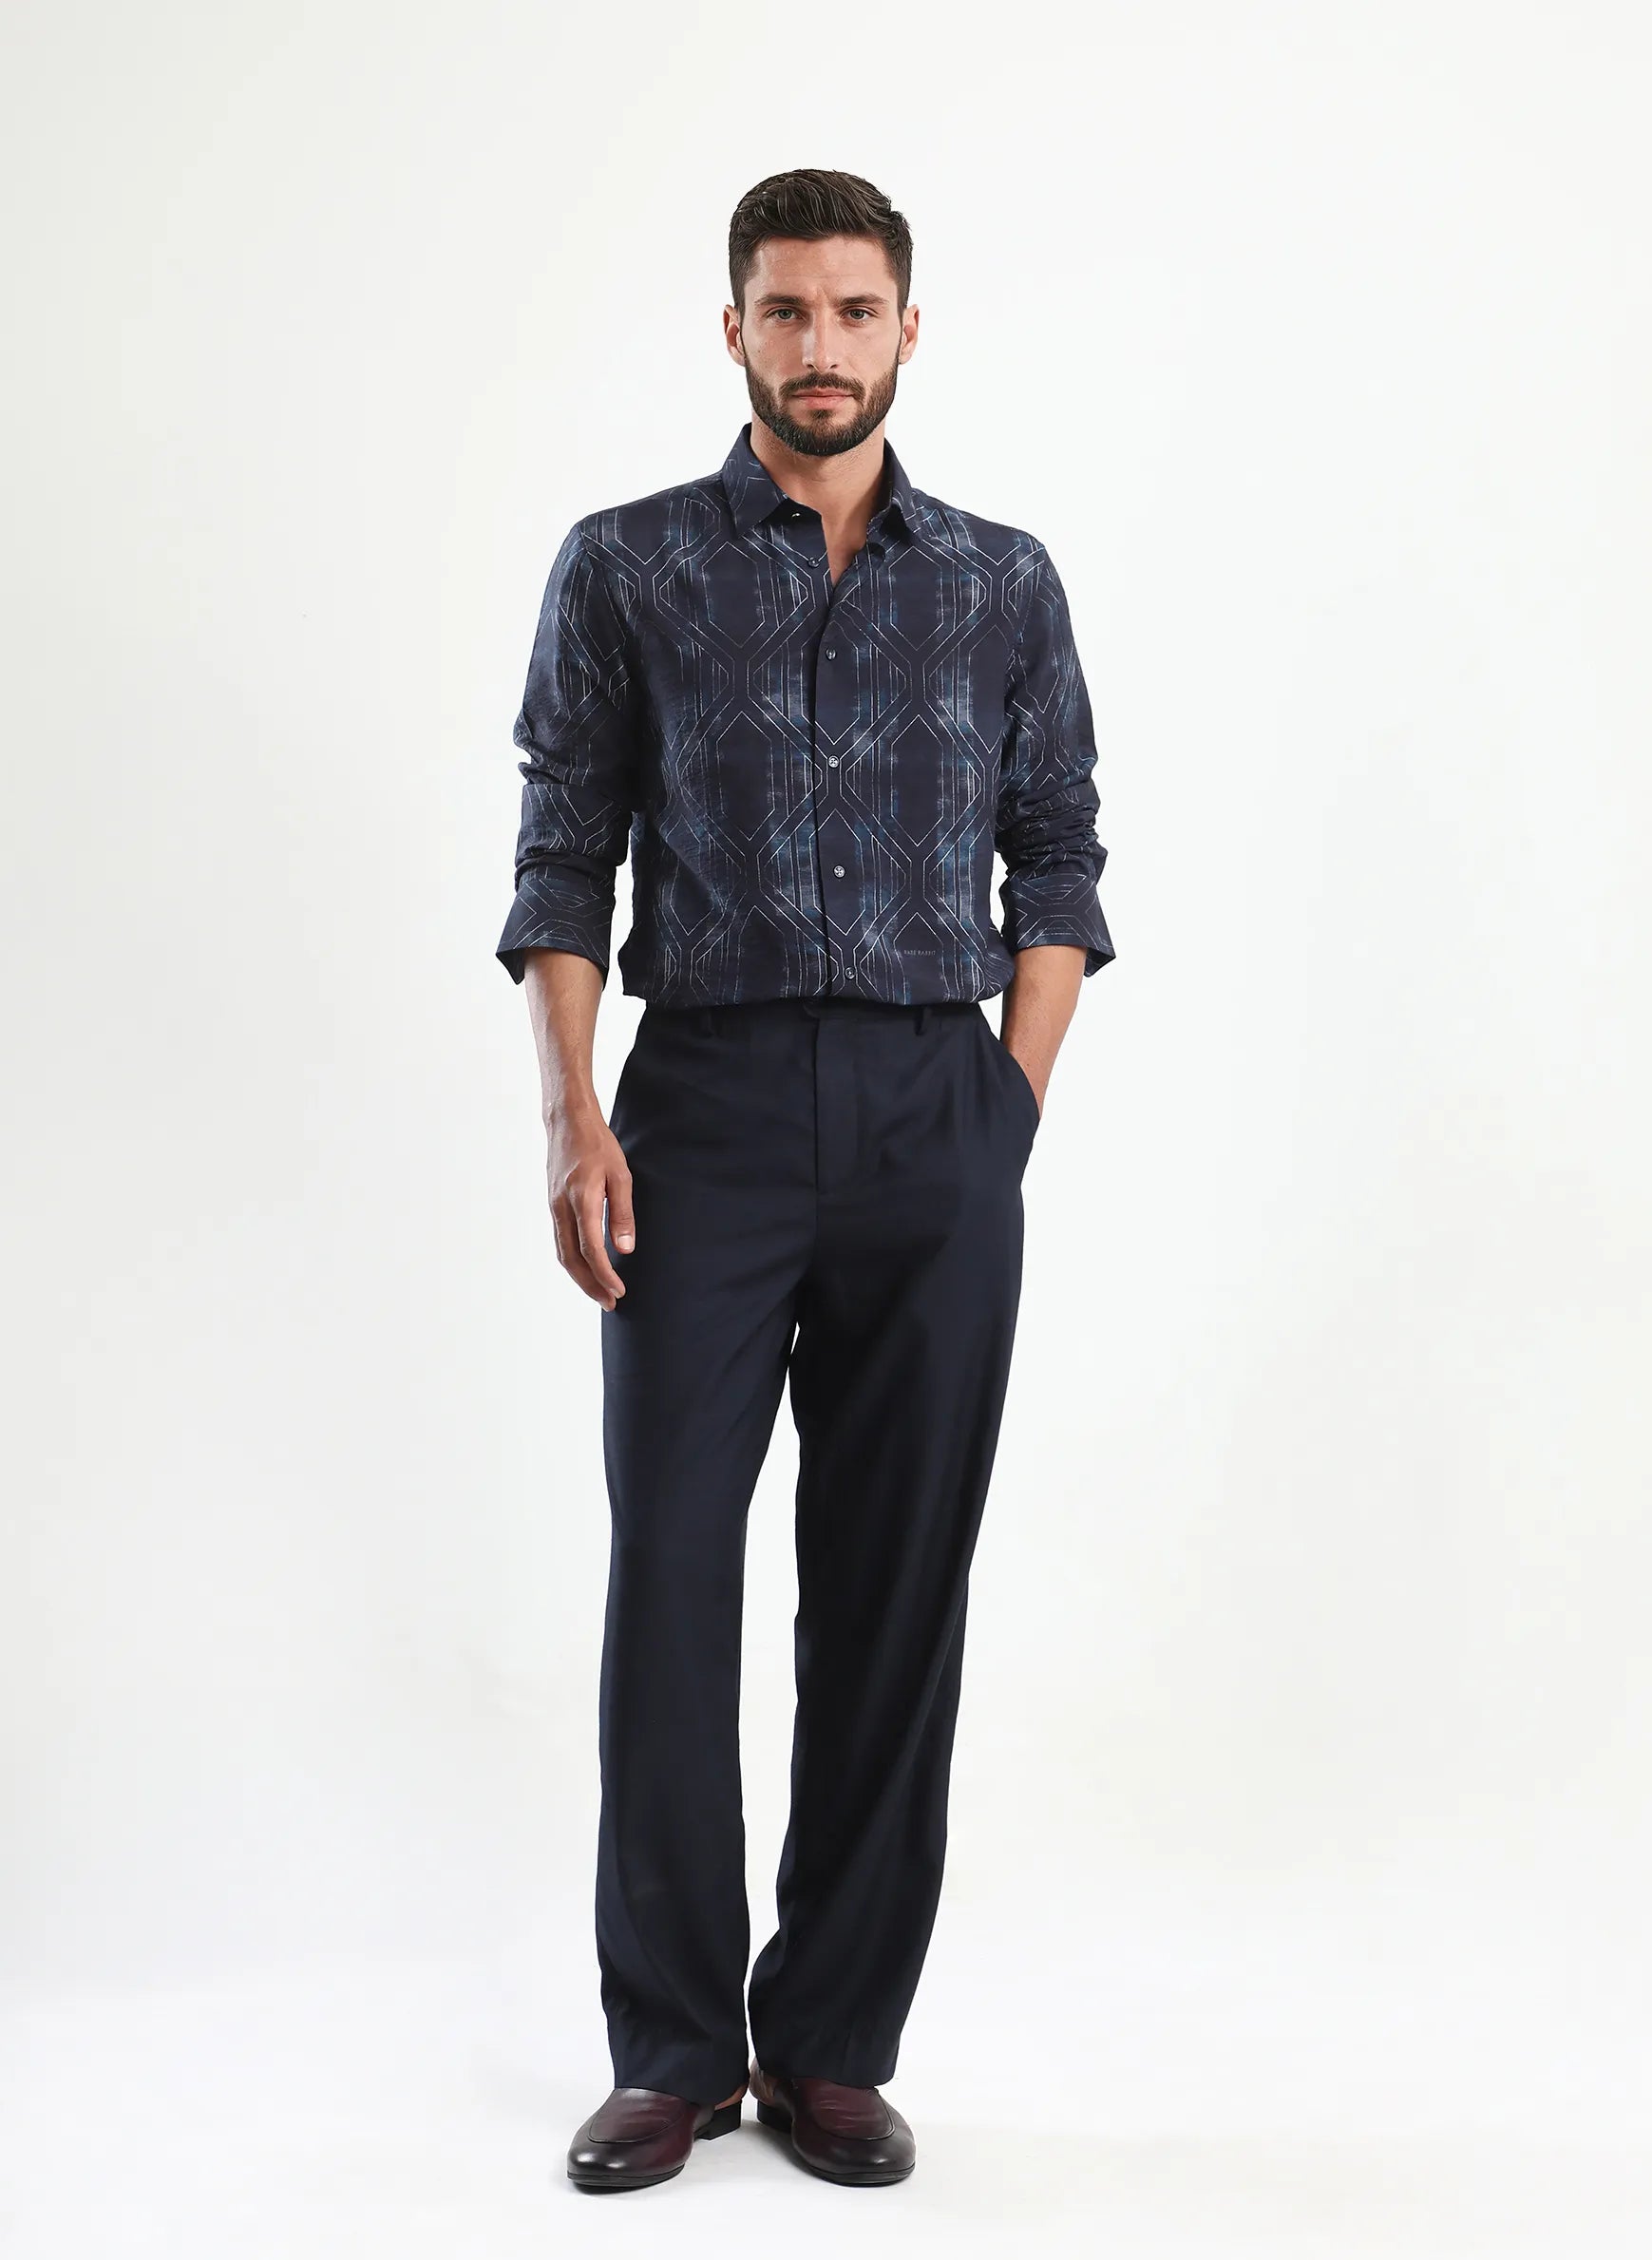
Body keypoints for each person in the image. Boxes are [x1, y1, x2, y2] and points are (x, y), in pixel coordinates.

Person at [495, 167, 1115, 2194]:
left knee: (892, 1585)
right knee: (671, 1568)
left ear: (908, 330)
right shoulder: (631, 567)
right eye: (787, 311)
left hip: (940, 1109)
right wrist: (574, 1114)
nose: (822, 347)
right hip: (707, 1107)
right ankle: (673, 2048)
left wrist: (1006, 1108)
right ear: (735, 330)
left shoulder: (1002, 582)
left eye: (856, 312)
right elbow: (563, 851)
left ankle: (833, 2042)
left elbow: (1059, 855)